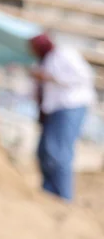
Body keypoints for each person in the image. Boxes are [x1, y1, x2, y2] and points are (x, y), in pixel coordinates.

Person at [29, 33, 96, 201]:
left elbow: (85, 76)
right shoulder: (44, 61)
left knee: (59, 153)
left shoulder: (65, 55)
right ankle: (48, 192)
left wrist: (50, 77)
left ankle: (63, 198)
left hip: (70, 107)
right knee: (44, 151)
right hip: (52, 111)